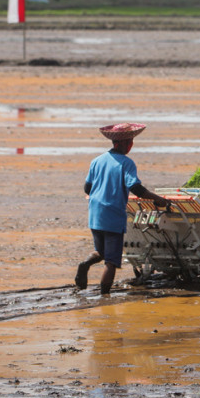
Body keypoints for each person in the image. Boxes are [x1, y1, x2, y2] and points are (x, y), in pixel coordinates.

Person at [77, 123, 172, 295]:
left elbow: (87, 189)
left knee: (101, 251)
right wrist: (159, 199)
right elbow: (136, 189)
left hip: (95, 213)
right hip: (113, 214)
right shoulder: (126, 163)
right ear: (125, 144)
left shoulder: (97, 161)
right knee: (111, 261)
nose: (131, 146)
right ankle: (105, 295)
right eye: (131, 142)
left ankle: (85, 264)